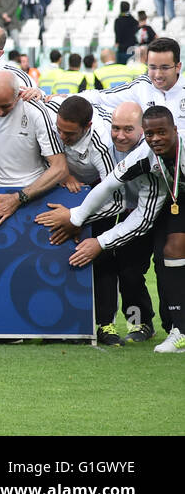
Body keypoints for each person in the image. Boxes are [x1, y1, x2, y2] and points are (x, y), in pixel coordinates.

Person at [35, 101, 161, 344]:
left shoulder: (103, 144)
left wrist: (75, 217)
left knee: (130, 268)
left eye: (127, 130)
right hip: (94, 200)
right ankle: (104, 325)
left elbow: (115, 200)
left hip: (127, 205)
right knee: (100, 263)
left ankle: (141, 322)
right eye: (116, 128)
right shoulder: (51, 121)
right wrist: (65, 174)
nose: (62, 136)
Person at [0, 71, 68, 228]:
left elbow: (59, 168)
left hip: (29, 192)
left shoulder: (35, 110)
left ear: (18, 95)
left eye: (5, 106)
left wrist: (18, 198)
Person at [80, 37, 185, 132]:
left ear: (178, 67)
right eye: (152, 67)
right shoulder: (142, 86)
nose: (158, 75)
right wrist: (67, 98)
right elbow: (101, 97)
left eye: (165, 68)